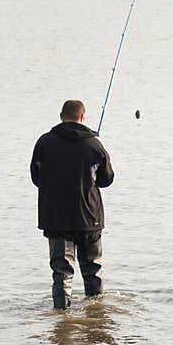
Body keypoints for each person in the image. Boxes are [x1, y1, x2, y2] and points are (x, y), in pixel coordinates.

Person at [30, 99, 115, 309]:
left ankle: (61, 317)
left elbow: (36, 178)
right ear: (82, 117)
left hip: (56, 218)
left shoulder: (44, 143)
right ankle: (96, 314)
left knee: (62, 272)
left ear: (61, 116)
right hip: (89, 218)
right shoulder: (94, 145)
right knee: (93, 270)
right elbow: (106, 180)